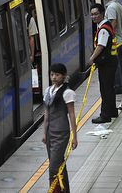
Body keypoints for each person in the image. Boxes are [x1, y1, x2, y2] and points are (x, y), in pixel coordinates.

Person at [42, 63, 78, 193]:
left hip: (61, 133)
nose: (54, 77)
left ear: (64, 76)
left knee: (53, 167)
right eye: (52, 74)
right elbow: (46, 114)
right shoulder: (48, 91)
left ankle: (54, 190)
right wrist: (44, 133)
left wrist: (74, 136)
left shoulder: (68, 93)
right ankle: (65, 190)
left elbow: (72, 115)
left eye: (57, 75)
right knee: (58, 163)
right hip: (50, 132)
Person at [89, 3, 119, 124]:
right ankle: (112, 111)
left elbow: (101, 46)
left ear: (102, 14)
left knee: (105, 89)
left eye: (96, 14)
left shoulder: (103, 29)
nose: (94, 17)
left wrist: (92, 58)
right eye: (91, 15)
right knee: (109, 88)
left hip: (106, 63)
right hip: (110, 61)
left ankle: (105, 115)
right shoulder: (106, 25)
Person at [104, 0, 122, 94]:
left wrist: (107, 37)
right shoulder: (118, 5)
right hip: (120, 38)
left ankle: (118, 86)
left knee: (116, 64)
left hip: (115, 40)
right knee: (120, 63)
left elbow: (113, 22)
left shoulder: (111, 7)